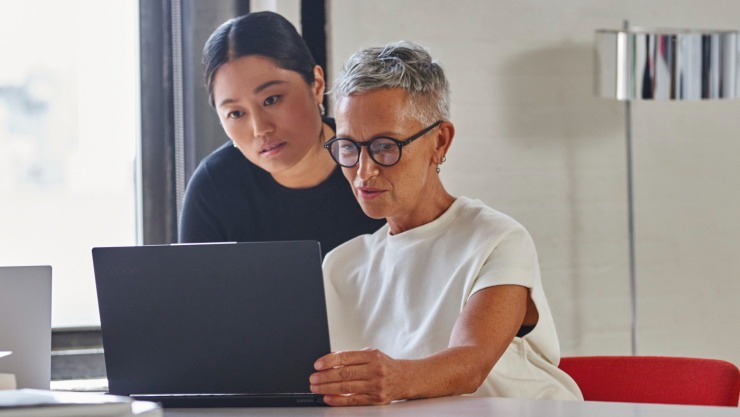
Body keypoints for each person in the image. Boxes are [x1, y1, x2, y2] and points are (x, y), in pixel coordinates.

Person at [309, 41, 583, 406]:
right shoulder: (341, 265)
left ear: (439, 141)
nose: (364, 170)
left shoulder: (497, 239)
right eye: (348, 147)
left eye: (385, 146)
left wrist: (394, 379)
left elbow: (471, 363)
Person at [178, 11, 384, 253]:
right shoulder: (213, 188)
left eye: (272, 99)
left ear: (316, 85)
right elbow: (195, 290)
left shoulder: (378, 159)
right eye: (236, 113)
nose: (260, 129)